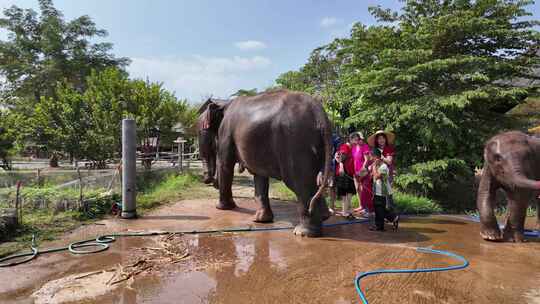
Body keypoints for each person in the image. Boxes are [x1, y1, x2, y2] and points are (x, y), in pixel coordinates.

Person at [369, 147, 399, 231]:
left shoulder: (384, 166)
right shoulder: (377, 165)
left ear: (376, 157)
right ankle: (380, 225)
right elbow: (372, 176)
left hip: (383, 192)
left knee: (380, 209)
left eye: (371, 157)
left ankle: (393, 218)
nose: (371, 159)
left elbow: (377, 176)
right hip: (377, 191)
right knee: (377, 208)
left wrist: (374, 167)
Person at [333, 134, 357, 218]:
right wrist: (341, 166)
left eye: (357, 140)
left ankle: (348, 210)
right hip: (344, 173)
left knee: (349, 193)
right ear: (350, 139)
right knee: (345, 194)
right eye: (355, 140)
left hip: (349, 172)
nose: (356, 142)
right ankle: (345, 212)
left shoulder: (351, 148)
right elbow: (338, 156)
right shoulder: (345, 147)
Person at [350, 132, 373, 218]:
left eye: (360, 139)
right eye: (357, 139)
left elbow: (367, 160)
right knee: (357, 189)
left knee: (365, 190)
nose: (359, 140)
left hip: (363, 172)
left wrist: (362, 170)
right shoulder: (354, 147)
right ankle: (362, 206)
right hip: (355, 171)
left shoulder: (365, 147)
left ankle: (368, 209)